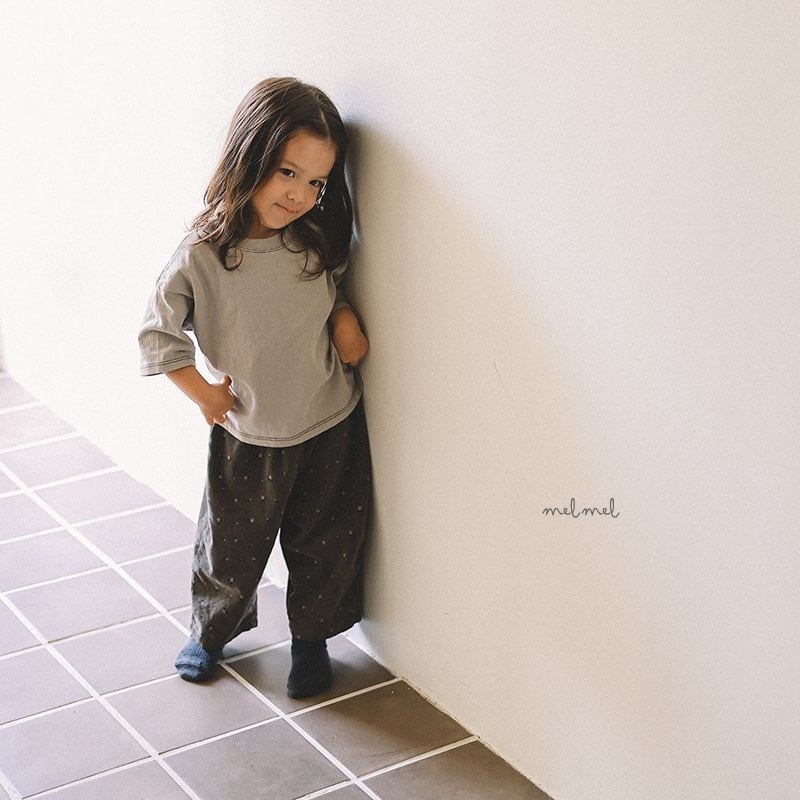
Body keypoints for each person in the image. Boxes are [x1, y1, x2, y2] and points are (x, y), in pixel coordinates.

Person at [138, 77, 371, 699]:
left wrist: (343, 317)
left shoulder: (313, 239)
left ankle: (311, 642)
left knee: (325, 540)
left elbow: (327, 293)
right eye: (288, 173)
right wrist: (204, 395)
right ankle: (210, 633)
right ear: (250, 157)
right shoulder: (204, 255)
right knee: (231, 547)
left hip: (329, 420)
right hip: (250, 432)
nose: (300, 195)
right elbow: (157, 334)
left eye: (317, 182)